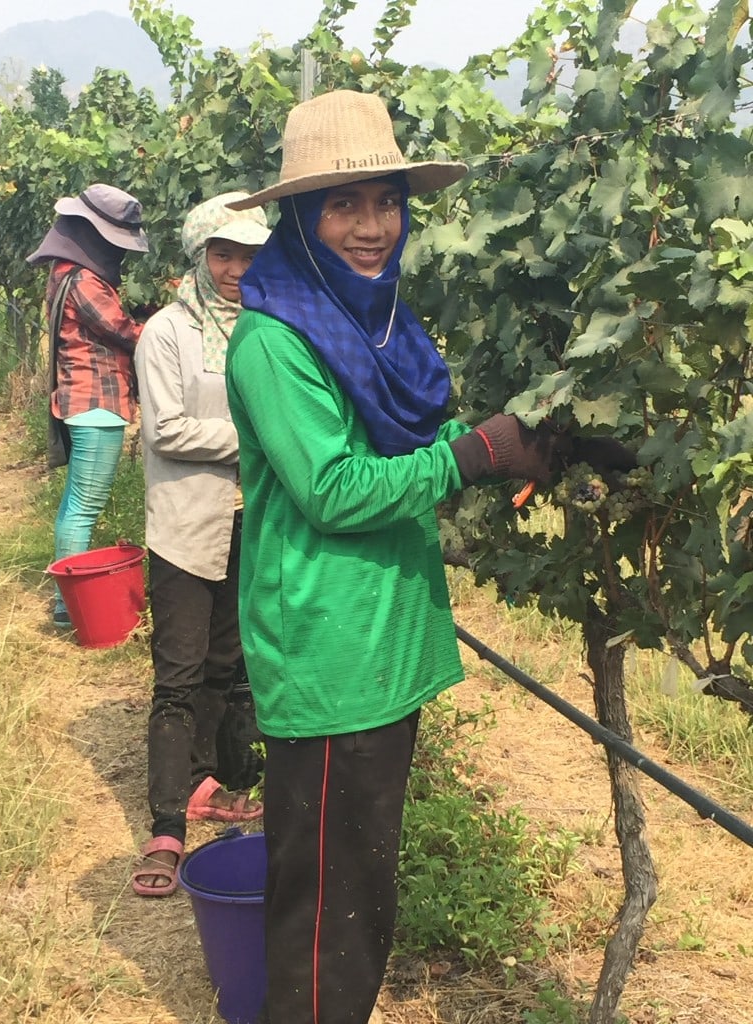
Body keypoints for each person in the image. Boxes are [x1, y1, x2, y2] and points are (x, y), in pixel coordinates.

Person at [224, 90, 636, 1024]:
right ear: (298, 216)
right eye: (344, 204)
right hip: (330, 658)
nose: (373, 227)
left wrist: (542, 441)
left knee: (359, 899)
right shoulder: (274, 339)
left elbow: (404, 446)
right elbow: (333, 489)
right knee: (328, 921)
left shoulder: (371, 325)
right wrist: (469, 455)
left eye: (387, 201)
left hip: (382, 648)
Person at [131, 192, 270, 898]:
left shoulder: (267, 329)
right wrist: (261, 444)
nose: (236, 268)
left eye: (249, 254)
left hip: (250, 522)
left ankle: (212, 787)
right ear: (198, 256)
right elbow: (168, 431)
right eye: (223, 253)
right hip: (186, 528)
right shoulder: (167, 333)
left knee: (230, 663)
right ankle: (165, 827)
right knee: (179, 676)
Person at [27, 183, 149, 628]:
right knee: (84, 506)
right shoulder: (84, 280)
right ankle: (69, 608)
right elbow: (121, 330)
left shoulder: (65, 274)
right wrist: (169, 330)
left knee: (75, 504)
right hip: (97, 404)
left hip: (81, 401)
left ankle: (67, 604)